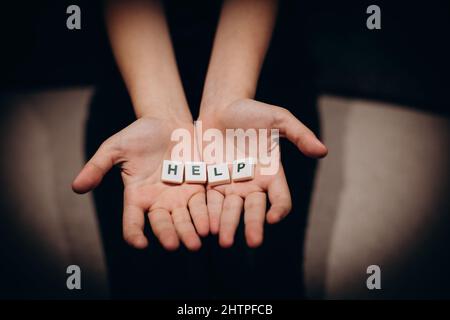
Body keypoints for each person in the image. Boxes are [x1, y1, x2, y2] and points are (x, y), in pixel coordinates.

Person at [72, 0, 327, 299]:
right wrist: (160, 110)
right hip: (136, 79)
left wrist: (228, 96)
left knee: (268, 280)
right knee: (147, 282)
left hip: (263, 73)